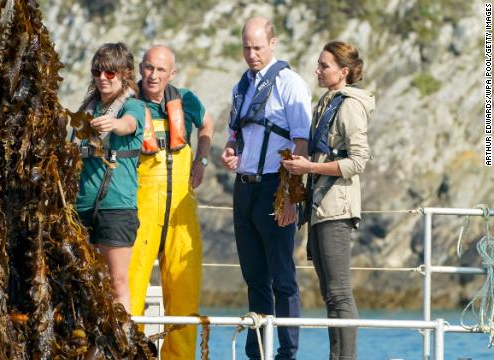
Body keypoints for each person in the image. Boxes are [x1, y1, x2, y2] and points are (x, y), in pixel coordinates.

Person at [220, 17, 311, 360]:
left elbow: (301, 143)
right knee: (254, 276)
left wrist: (291, 197)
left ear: (273, 44)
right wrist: (231, 153)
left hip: (276, 185)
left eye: (258, 47)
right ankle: (257, 352)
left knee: (282, 277)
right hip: (244, 188)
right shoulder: (241, 86)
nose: (252, 54)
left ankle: (288, 353)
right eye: (246, 47)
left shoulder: (291, 84)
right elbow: (237, 136)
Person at [283, 41, 373, 360]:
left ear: (343, 71)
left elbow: (358, 160)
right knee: (330, 295)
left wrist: (309, 167)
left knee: (339, 294)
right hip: (320, 207)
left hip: (337, 208)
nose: (317, 70)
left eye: (324, 66)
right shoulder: (327, 101)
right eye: (318, 64)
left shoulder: (349, 105)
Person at [128, 45, 213, 359]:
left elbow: (208, 124)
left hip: (180, 210)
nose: (153, 75)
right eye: (149, 67)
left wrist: (201, 160)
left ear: (172, 74)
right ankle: (130, 353)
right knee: (131, 291)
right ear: (140, 68)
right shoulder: (129, 103)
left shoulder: (187, 100)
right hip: (141, 210)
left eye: (161, 70)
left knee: (184, 292)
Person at [75, 42, 145, 313]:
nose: (102, 78)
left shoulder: (134, 106)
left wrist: (114, 124)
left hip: (116, 207)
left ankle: (121, 349)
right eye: (97, 71)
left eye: (110, 73)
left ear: (125, 74)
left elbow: (130, 125)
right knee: (85, 283)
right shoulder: (87, 109)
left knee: (117, 283)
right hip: (82, 207)